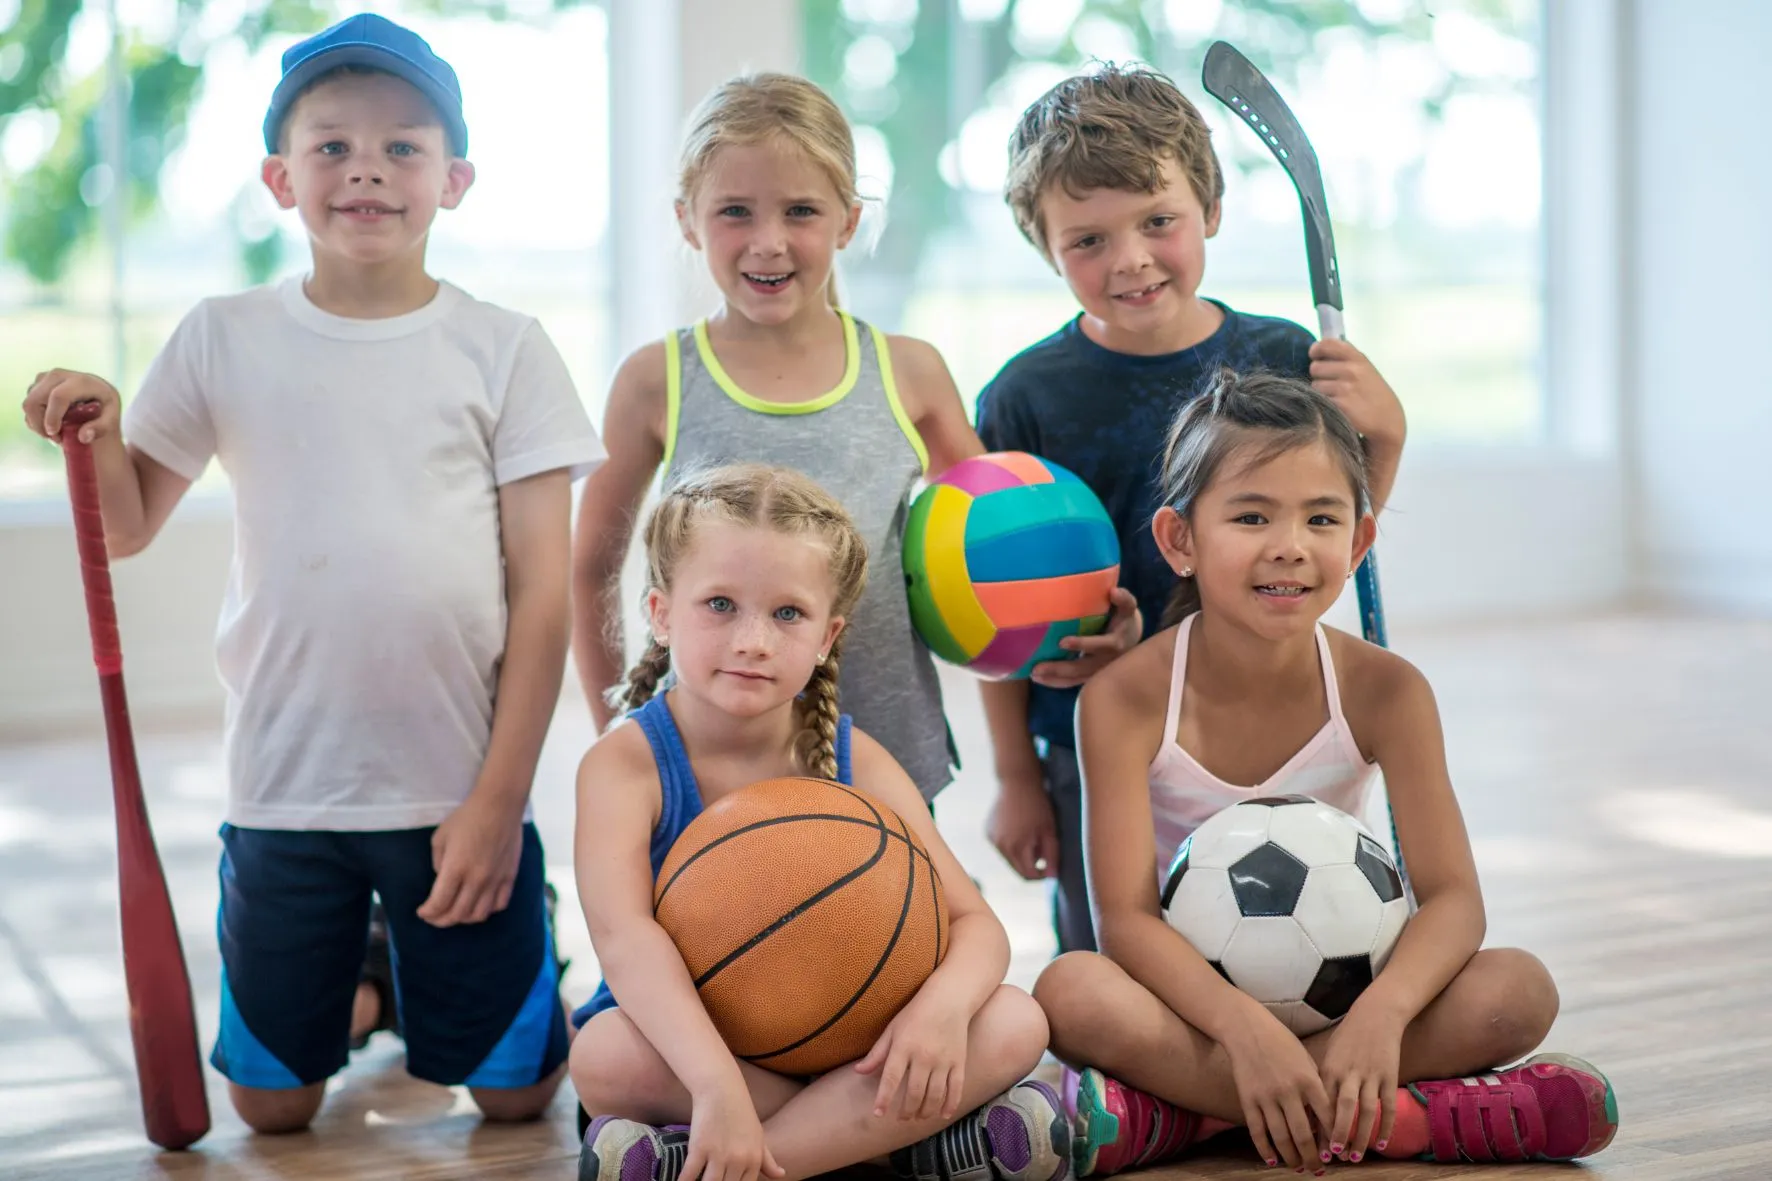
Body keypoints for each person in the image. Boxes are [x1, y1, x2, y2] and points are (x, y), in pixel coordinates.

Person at [21, 13, 602, 1132]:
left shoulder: (506, 346)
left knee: (517, 1094)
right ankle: (373, 979)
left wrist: (497, 803)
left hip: (453, 787)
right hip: (285, 783)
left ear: (455, 178)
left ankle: (481, 939)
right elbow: (128, 522)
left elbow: (541, 598)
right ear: (281, 179)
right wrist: (91, 428)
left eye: (402, 145)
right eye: (331, 146)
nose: (367, 168)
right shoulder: (221, 335)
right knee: (273, 1106)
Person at [1032, 371, 1618, 1174]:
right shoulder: (1122, 698)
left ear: (1359, 541)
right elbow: (1126, 923)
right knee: (1070, 992)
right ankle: (1402, 1119)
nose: (1290, 545)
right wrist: (1244, 1031)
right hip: (1199, 1016)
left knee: (1519, 989)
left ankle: (1189, 1119)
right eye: (1251, 515)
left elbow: (1452, 899)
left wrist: (1384, 1013)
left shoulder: (1388, 688)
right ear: (1180, 540)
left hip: (1356, 999)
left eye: (1321, 518)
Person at [975, 63, 1407, 955]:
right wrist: (1017, 772)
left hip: (1264, 722)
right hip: (1094, 739)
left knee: (1289, 946)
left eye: (1158, 222)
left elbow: (1325, 545)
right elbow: (986, 598)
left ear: (1208, 208)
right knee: (1110, 961)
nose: (1129, 259)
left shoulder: (1288, 357)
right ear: (1042, 242)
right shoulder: (1023, 398)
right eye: (1087, 239)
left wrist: (1386, 441)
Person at [569, 463, 1068, 1181]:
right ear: (660, 611)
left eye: (787, 614)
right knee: (602, 1054)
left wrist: (939, 1012)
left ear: (829, 633)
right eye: (719, 604)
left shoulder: (850, 755)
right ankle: (900, 1143)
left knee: (1016, 1021)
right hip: (694, 1045)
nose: (753, 640)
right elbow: (625, 942)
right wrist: (715, 1083)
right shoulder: (625, 764)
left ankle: (723, 1162)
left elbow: (976, 924)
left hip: (853, 1041)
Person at [572, 72, 1010, 804]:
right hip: (709, 771)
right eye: (735, 211)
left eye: (800, 210)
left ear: (847, 221)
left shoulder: (909, 372)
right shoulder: (656, 380)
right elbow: (590, 569)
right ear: (688, 220)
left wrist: (1052, 646)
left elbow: (993, 558)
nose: (768, 243)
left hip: (887, 755)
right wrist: (619, 737)